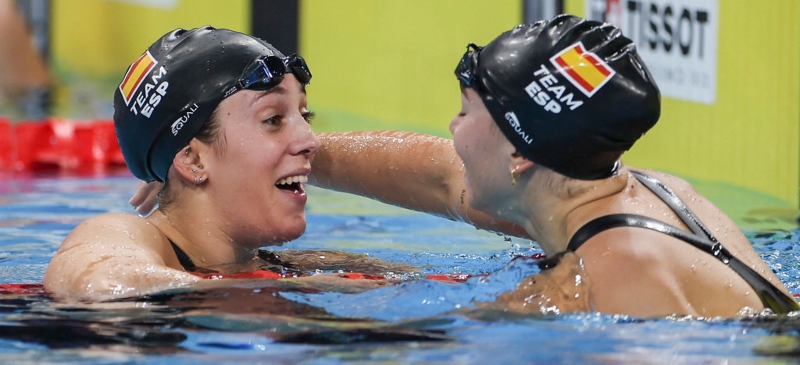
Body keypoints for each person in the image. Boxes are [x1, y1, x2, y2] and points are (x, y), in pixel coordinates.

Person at [130, 15, 799, 317]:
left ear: (519, 151)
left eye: (464, 112)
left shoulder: (607, 274)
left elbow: (456, 324)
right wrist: (251, 156)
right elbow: (436, 175)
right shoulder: (654, 192)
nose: (449, 133)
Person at [43, 26, 405, 299]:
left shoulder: (279, 266)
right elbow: (99, 283)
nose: (311, 142)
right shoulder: (124, 234)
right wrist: (275, 291)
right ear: (192, 159)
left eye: (304, 117)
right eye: (273, 119)